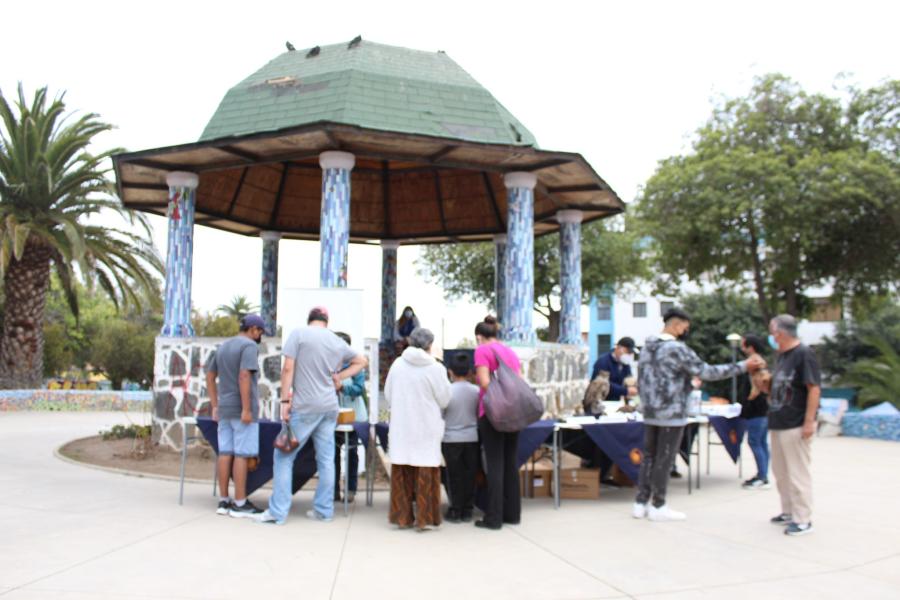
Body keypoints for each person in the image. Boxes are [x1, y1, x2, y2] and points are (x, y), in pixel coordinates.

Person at [634, 308, 764, 522]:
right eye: (685, 327)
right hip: (671, 413)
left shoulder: (648, 347)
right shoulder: (677, 348)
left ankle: (640, 503)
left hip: (650, 411)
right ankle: (658, 504)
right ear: (677, 325)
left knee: (649, 457)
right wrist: (743, 366)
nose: (686, 332)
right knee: (664, 459)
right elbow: (707, 372)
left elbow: (645, 378)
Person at [256, 307, 367, 525]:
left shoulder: (299, 334)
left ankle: (277, 512)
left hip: (305, 405)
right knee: (326, 459)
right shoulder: (335, 340)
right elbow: (361, 361)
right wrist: (338, 378)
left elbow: (288, 369)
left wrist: (285, 402)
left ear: (310, 320)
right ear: (326, 321)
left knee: (284, 456)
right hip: (330, 407)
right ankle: (323, 511)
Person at [385, 327, 451, 530]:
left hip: (402, 426)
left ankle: (402, 517)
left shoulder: (397, 364)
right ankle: (426, 517)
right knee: (426, 470)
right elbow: (445, 399)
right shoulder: (436, 368)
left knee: (402, 470)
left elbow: (388, 395)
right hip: (426, 426)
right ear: (430, 345)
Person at [205, 314, 266, 518]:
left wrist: (215, 405)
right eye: (260, 331)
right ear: (253, 329)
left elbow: (210, 376)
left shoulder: (223, 347)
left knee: (225, 452)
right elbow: (244, 375)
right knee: (241, 454)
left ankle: (223, 501)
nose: (260, 336)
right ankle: (240, 503)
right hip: (241, 409)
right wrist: (247, 409)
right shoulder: (249, 346)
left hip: (224, 408)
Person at [767, 314, 821, 536]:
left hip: (795, 423)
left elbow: (813, 388)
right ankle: (788, 511)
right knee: (781, 472)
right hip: (778, 422)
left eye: (772, 331)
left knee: (798, 473)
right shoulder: (782, 356)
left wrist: (809, 421)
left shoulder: (803, 354)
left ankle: (803, 519)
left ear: (780, 333)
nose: (771, 336)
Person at [473, 316, 523, 530]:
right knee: (510, 462)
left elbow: (485, 382)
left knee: (494, 464)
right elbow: (519, 380)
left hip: (492, 412)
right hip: (513, 412)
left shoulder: (482, 350)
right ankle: (512, 514)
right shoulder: (510, 352)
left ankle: (493, 518)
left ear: (479, 337)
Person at [441, 353, 480, 523]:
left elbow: (440, 415)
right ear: (470, 372)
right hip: (472, 438)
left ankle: (455, 509)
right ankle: (468, 510)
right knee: (470, 475)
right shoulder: (476, 391)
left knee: (453, 475)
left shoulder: (446, 391)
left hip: (451, 439)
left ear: (450, 372)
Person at [333, 332, 367, 504]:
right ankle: (333, 490)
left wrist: (342, 388)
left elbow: (359, 389)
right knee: (333, 454)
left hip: (354, 418)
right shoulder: (329, 365)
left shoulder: (356, 366)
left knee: (352, 453)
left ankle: (350, 489)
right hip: (334, 417)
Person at [738, 334, 771, 490]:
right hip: (762, 409)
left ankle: (762, 477)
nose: (741, 347)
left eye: (743, 344)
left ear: (750, 347)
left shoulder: (755, 362)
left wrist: (751, 396)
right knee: (762, 443)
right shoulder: (759, 361)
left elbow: (762, 382)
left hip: (756, 410)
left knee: (755, 442)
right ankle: (763, 474)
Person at [589, 337, 638, 402]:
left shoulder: (625, 364)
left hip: (616, 402)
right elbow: (602, 384)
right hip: (601, 401)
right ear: (618, 348)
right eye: (628, 352)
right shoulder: (603, 361)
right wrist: (625, 391)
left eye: (631, 353)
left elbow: (628, 380)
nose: (629, 355)